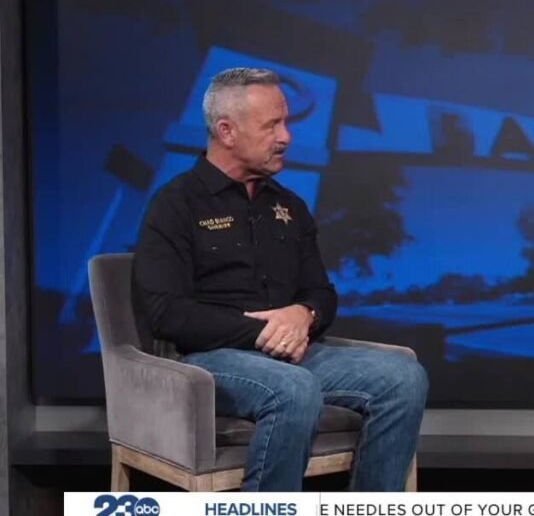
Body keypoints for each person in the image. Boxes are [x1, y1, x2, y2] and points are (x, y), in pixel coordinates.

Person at [132, 67, 428, 492]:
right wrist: (263, 332)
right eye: (271, 125)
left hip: (292, 355)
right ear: (227, 131)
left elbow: (321, 292)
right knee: (294, 389)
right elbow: (165, 313)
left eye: (286, 123)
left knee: (404, 378)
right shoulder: (175, 204)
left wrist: (304, 314)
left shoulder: (290, 206)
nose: (286, 137)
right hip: (209, 360)